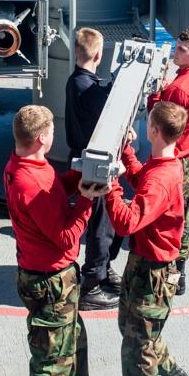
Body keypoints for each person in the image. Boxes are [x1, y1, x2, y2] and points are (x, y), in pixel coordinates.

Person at [4, 105, 120, 376]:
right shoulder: (30, 184)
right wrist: (86, 200)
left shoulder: (27, 165)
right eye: (51, 132)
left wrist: (79, 178)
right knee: (51, 358)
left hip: (54, 279)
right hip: (50, 282)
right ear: (42, 139)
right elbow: (68, 238)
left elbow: (55, 188)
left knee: (74, 344)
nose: (54, 136)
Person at [103, 102, 189, 376]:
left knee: (137, 344)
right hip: (145, 265)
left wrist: (109, 187)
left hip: (152, 272)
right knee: (132, 326)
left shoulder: (161, 178)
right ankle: (170, 373)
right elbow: (143, 179)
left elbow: (126, 222)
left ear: (154, 131)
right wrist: (127, 153)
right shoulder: (164, 166)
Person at [146, 27, 189, 296]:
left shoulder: (180, 89)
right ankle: (179, 269)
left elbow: (159, 122)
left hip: (178, 160)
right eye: (176, 46)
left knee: (171, 218)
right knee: (184, 212)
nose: (176, 51)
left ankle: (171, 273)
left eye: (182, 50)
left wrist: (155, 95)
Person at [64, 27, 121, 311]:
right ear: (99, 54)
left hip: (80, 156)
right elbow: (112, 108)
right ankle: (93, 284)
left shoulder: (75, 82)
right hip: (94, 162)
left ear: (76, 51)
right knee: (102, 224)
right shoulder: (91, 90)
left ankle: (103, 269)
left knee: (104, 221)